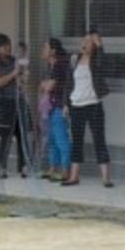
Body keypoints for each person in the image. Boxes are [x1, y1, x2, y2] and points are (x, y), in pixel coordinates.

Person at [62, 29, 113, 188]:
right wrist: (66, 103)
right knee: (76, 141)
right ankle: (74, 176)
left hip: (93, 105)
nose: (85, 44)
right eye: (83, 41)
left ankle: (106, 178)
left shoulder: (96, 59)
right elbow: (68, 83)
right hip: (76, 105)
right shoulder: (74, 59)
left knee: (99, 140)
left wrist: (100, 47)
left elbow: (103, 65)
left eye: (89, 42)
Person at [0, 33, 28, 179]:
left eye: (9, 44)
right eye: (4, 45)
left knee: (22, 135)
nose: (8, 48)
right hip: (4, 103)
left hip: (18, 100)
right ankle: (2, 167)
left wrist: (21, 77)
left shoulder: (13, 60)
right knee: (6, 136)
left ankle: (23, 167)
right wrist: (13, 74)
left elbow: (20, 77)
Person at [40, 38, 71, 182]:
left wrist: (44, 84)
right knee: (52, 139)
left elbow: (48, 86)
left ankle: (66, 170)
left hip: (59, 106)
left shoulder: (59, 65)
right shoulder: (50, 66)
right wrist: (44, 84)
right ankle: (53, 168)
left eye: (46, 47)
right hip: (50, 108)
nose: (43, 50)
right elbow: (44, 86)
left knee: (61, 139)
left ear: (53, 51)